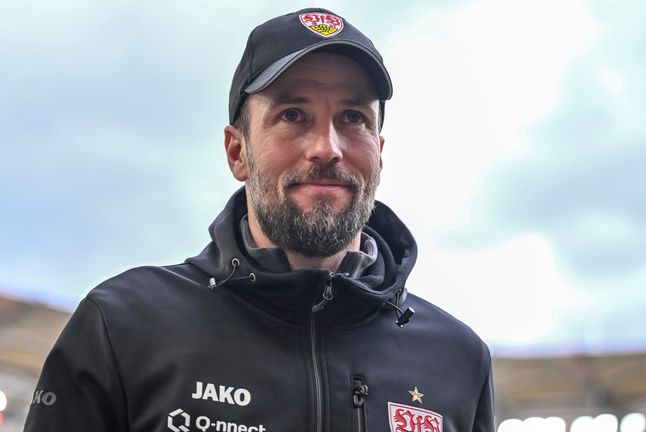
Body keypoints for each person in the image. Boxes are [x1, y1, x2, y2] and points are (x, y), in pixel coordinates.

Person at [24, 8, 494, 432]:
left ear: (380, 152)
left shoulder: (459, 358)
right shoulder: (122, 325)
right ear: (237, 152)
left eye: (353, 117)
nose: (327, 148)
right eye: (293, 114)